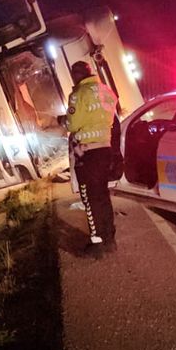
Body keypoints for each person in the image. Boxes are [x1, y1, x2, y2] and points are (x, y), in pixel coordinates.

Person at [65, 59, 120, 258]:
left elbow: (72, 125)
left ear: (77, 75)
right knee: (103, 196)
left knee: (90, 198)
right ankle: (109, 239)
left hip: (86, 153)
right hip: (104, 149)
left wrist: (63, 120)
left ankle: (97, 244)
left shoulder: (78, 95)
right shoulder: (107, 91)